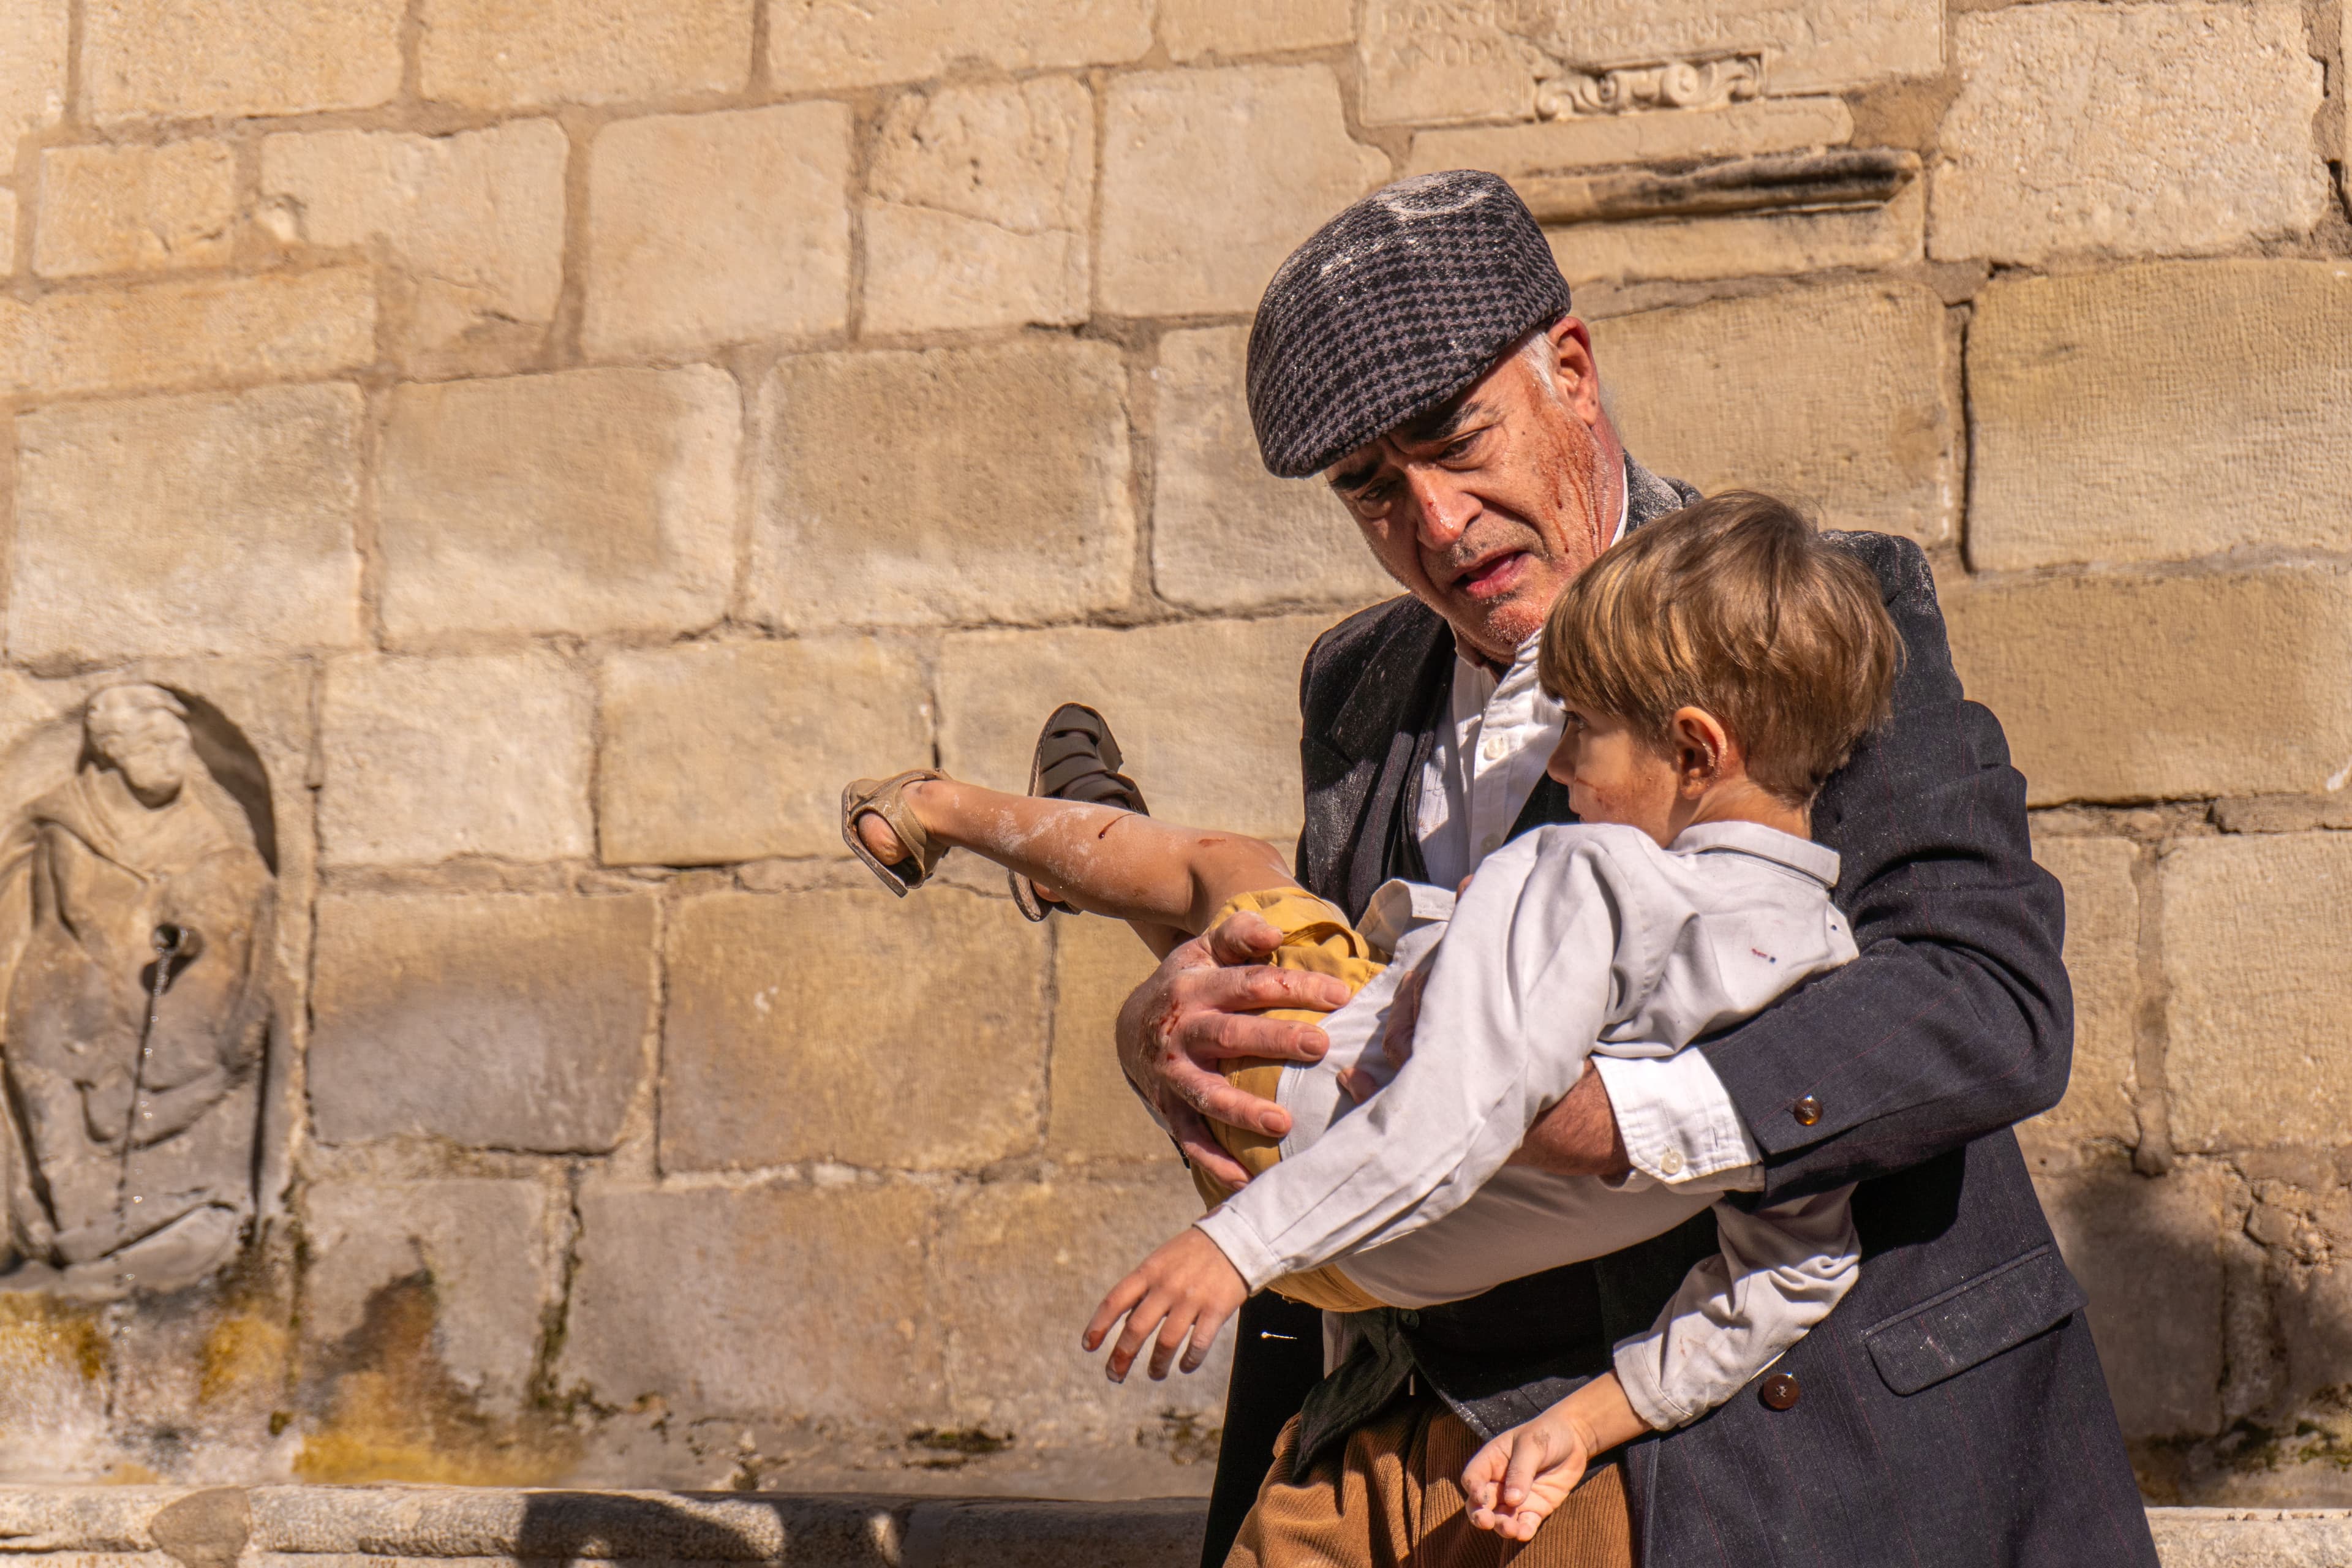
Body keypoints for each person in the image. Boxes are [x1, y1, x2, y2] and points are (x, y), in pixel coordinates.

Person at [1109, 172, 2157, 1566]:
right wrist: (1162, 1029)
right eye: (1372, 487)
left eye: (1454, 438)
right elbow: (1355, 1003)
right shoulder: (1358, 682)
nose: (1435, 520)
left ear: (1574, 370)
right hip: (1410, 1462)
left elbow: (1986, 1002)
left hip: (1797, 1448)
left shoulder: (1820, 602)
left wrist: (1610, 1116)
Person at [846, 495, 1893, 1540]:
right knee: (1238, 914)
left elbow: (1456, 1109)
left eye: (1581, 730)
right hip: (1350, 1244)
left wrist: (1236, 1248)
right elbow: (1800, 1265)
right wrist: (1589, 1422)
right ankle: (1066, 841)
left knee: (1225, 874)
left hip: (1294, 1162)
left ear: (1698, 752)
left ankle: (942, 807)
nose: (1561, 766)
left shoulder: (1590, 870)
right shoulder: (1832, 982)